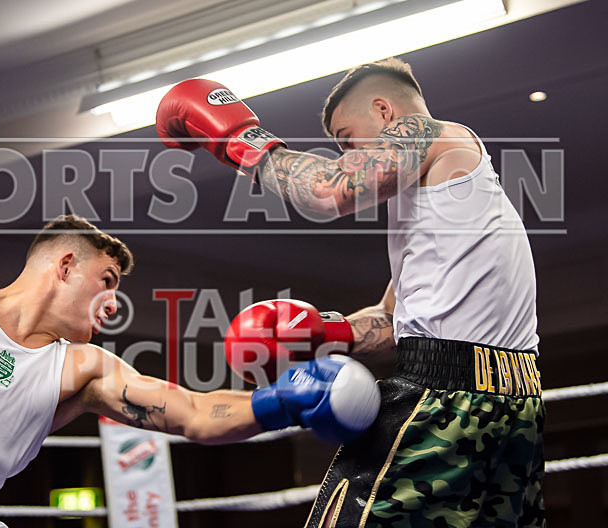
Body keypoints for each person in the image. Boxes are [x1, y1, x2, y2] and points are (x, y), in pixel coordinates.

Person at [157, 57, 545, 527]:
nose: (347, 153)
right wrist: (322, 334)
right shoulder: (439, 210)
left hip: (448, 397)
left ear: (384, 111)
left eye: (346, 138)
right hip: (513, 402)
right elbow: (392, 322)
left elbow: (328, 190)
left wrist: (242, 140)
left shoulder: (428, 132)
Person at [0, 214, 380, 528]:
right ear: (63, 264)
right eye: (107, 280)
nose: (113, 303)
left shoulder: (82, 368)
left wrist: (282, 400)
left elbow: (193, 412)